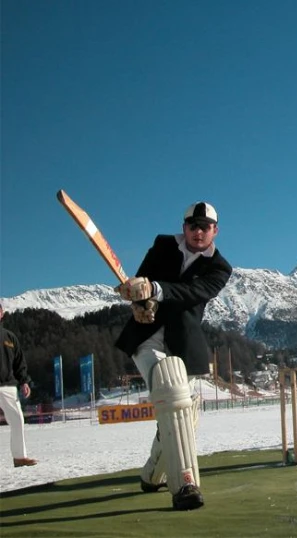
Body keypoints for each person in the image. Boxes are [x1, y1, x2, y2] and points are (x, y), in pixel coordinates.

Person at [114, 202, 232, 510]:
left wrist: (153, 290)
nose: (198, 231)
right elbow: (142, 280)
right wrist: (139, 301)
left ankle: (153, 473)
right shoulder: (163, 245)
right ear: (184, 227)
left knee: (182, 413)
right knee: (172, 390)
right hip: (146, 336)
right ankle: (184, 486)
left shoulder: (220, 268)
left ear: (215, 231)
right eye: (193, 225)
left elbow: (191, 294)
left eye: (204, 226)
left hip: (183, 342)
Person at [0, 303, 38, 468]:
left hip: (8, 385)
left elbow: (19, 363)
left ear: (2, 313)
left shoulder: (10, 337)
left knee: (17, 419)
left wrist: (24, 381)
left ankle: (20, 457)